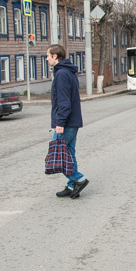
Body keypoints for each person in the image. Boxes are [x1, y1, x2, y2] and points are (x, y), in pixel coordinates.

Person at [48, 44, 88, 199]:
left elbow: (64, 102)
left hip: (67, 122)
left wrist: (60, 123)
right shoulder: (67, 72)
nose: (47, 59)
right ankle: (72, 186)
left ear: (55, 56)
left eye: (48, 56)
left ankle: (78, 179)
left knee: (59, 154)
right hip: (72, 121)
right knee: (69, 154)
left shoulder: (62, 74)